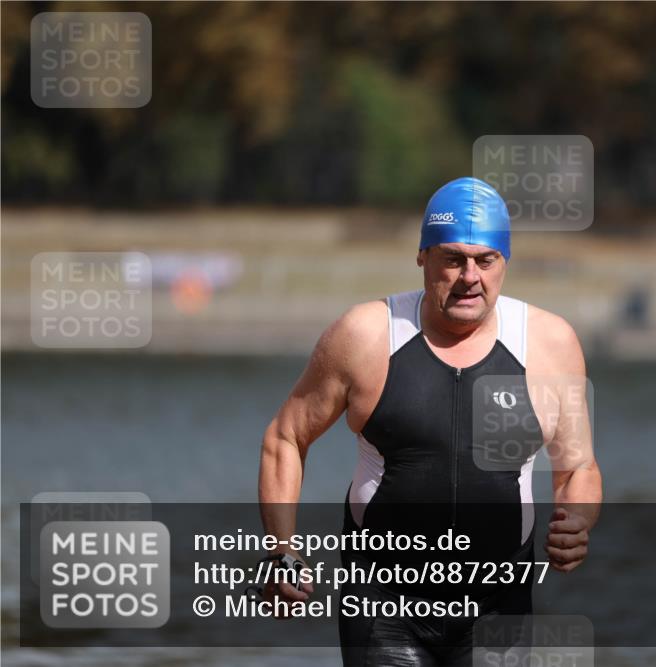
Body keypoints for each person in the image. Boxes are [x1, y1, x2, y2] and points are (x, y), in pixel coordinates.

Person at [257, 177, 602, 665]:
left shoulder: (550, 344)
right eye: (452, 258)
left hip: (497, 612)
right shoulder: (366, 335)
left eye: (486, 260)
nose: (469, 277)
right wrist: (282, 551)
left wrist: (577, 519)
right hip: (382, 611)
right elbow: (285, 437)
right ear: (422, 256)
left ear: (505, 262)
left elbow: (579, 468)